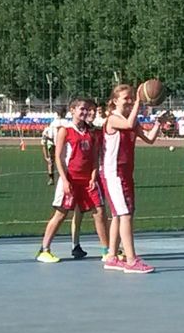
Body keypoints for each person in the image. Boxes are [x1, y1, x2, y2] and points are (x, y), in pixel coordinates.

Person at [101, 83, 167, 274]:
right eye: (126, 98)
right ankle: (131, 260)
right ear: (115, 101)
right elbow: (128, 125)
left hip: (125, 173)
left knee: (118, 215)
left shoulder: (131, 120)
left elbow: (149, 138)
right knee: (126, 215)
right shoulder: (113, 119)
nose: (130, 101)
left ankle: (112, 257)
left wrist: (158, 123)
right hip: (114, 173)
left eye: (132, 98)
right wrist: (140, 101)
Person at [36, 98, 105, 263]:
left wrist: (94, 175)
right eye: (82, 109)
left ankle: (107, 250)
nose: (85, 112)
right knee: (61, 214)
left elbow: (94, 157)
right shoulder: (65, 130)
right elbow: (59, 157)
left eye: (87, 109)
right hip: (70, 179)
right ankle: (44, 249)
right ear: (72, 110)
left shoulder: (91, 132)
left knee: (100, 212)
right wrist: (65, 180)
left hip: (87, 180)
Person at [68, 100, 110, 261]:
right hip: (79, 176)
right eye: (88, 110)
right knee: (78, 210)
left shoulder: (98, 130)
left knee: (100, 211)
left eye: (94, 111)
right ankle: (75, 244)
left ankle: (108, 247)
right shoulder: (77, 130)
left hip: (96, 173)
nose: (91, 113)